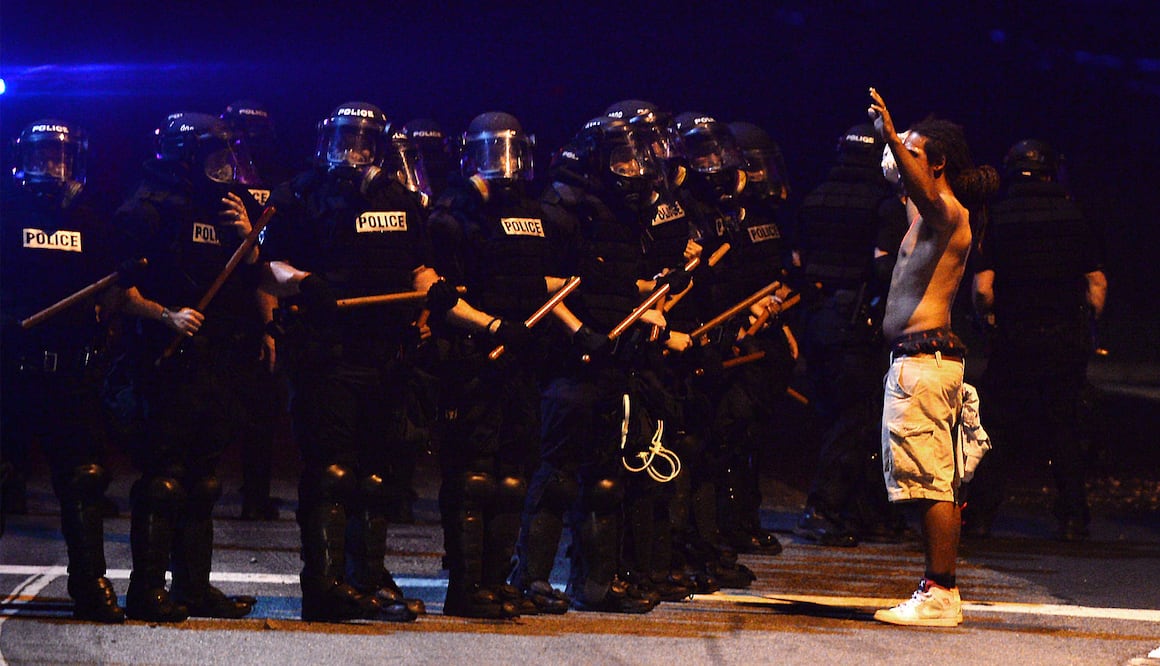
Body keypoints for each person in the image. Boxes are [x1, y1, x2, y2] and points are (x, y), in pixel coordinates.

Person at [511, 115, 687, 614]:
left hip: (614, 356)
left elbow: (612, 282)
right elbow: (544, 282)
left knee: (605, 478)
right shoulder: (564, 210)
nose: (636, 170)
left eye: (639, 159)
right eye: (624, 160)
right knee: (558, 473)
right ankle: (530, 578)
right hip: (571, 356)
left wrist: (650, 298)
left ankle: (594, 583)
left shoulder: (625, 216)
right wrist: (577, 329)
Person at [260, 101, 426, 623]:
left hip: (385, 352)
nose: (351, 152)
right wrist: (305, 283)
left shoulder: (400, 198)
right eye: (342, 140)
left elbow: (420, 265)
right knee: (331, 473)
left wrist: (431, 296)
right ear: (325, 143)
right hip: (325, 353)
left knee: (374, 475)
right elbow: (267, 265)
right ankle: (325, 587)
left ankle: (367, 579)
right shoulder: (301, 195)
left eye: (361, 142)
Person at [107, 112, 261, 622]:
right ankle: (147, 588)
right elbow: (114, 289)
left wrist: (248, 239)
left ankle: (194, 586)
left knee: (204, 479)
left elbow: (249, 279)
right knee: (164, 478)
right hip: (162, 359)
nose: (225, 169)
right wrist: (165, 315)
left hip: (216, 360)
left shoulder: (229, 209)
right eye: (214, 158)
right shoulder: (145, 210)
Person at [866, 87, 997, 627]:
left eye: (912, 153)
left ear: (935, 163)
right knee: (924, 479)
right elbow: (909, 188)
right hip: (917, 363)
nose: (895, 157)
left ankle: (941, 592)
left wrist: (895, 136)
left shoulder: (947, 213)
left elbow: (925, 192)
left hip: (924, 364)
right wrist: (899, 148)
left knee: (929, 482)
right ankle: (937, 587)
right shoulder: (922, 213)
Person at [425, 111, 561, 618]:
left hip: (520, 359)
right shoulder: (452, 215)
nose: (502, 167)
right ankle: (465, 587)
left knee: (512, 475)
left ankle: (495, 579)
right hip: (473, 357)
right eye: (491, 154)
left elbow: (535, 281)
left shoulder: (533, 213)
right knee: (473, 475)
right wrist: (491, 327)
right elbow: (440, 297)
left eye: (511, 154)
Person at [0, 119, 123, 622]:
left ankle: (89, 583)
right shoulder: (6, 216)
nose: (51, 165)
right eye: (42, 156)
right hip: (14, 371)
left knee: (83, 479)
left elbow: (116, 288)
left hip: (72, 375)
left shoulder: (92, 222)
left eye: (60, 157)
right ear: (23, 161)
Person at [967, 139, 1107, 541]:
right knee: (1064, 426)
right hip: (1063, 338)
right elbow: (1096, 283)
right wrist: (1087, 325)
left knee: (998, 427)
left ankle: (980, 517)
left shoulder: (998, 217)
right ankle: (1074, 518)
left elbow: (983, 289)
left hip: (1014, 338)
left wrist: (989, 320)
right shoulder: (1074, 214)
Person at [793, 123, 909, 547]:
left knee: (833, 415)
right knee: (857, 419)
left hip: (815, 319)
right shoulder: (884, 205)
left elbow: (798, 259)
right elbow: (883, 267)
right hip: (856, 322)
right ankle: (824, 508)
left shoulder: (815, 197)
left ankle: (858, 511)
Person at [221, 99, 289, 522]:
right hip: (227, 303)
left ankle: (256, 492)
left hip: (260, 295)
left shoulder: (277, 181)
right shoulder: (219, 183)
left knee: (263, 407)